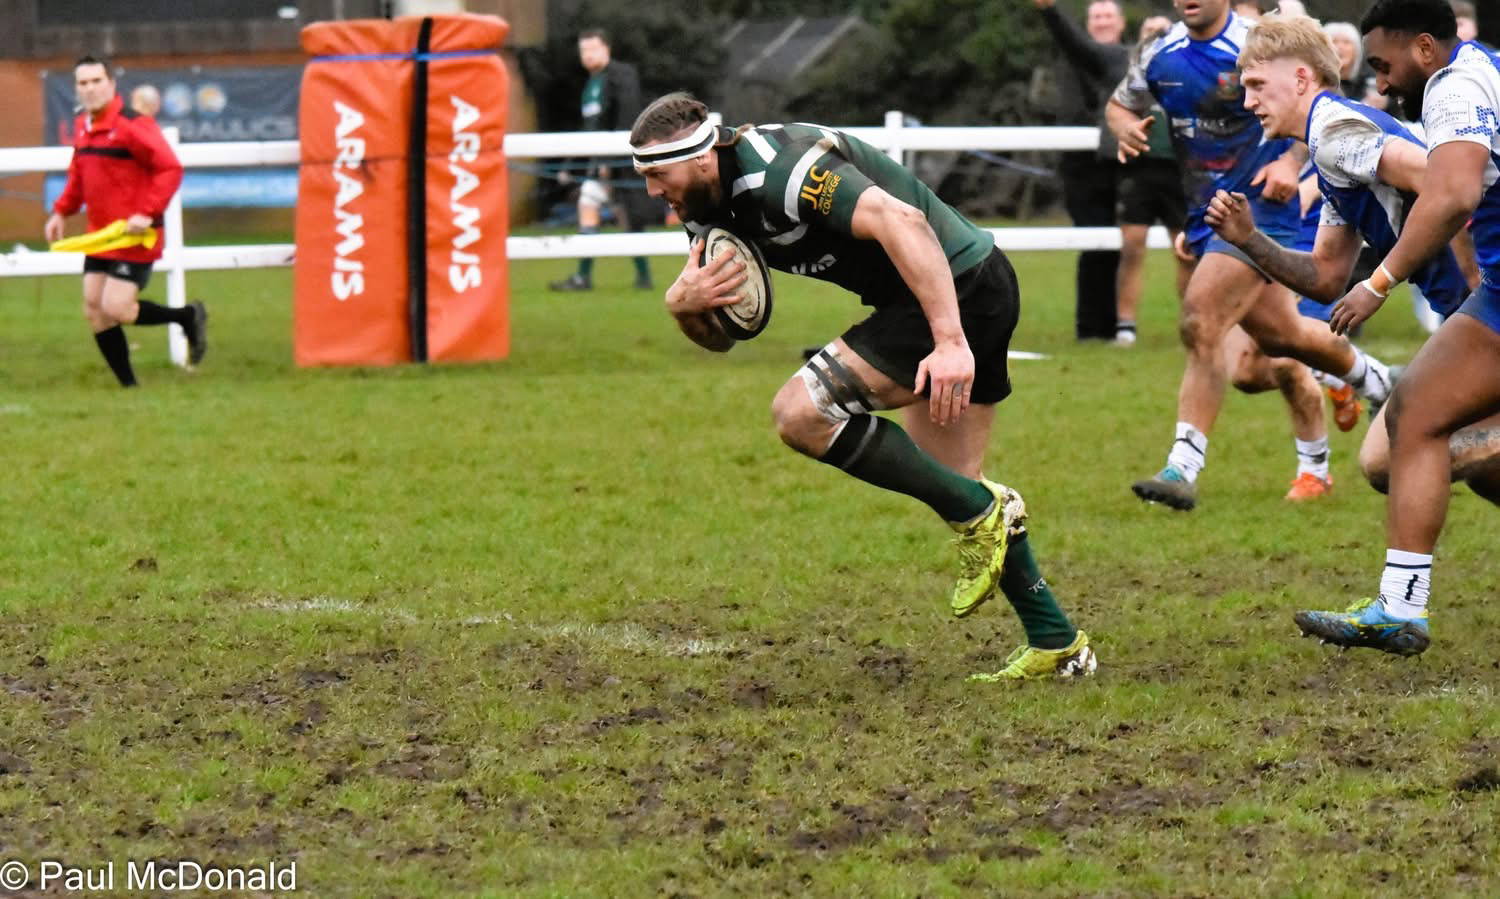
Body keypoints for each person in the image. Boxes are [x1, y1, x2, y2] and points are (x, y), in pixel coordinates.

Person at [631, 93, 1097, 681]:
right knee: (958, 487)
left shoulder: (782, 170)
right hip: (941, 297)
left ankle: (985, 512)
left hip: (961, 289)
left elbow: (902, 220)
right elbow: (726, 337)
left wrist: (950, 341)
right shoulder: (702, 208)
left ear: (700, 158)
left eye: (658, 174)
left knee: (801, 413)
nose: (651, 190)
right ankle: (1058, 642)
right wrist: (684, 308)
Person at [1106, 0, 1396, 511]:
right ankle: (1379, 381)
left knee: (1200, 318)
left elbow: (1317, 99)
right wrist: (1124, 126)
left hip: (1261, 206)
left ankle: (1183, 466)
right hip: (1208, 214)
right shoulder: (1159, 53)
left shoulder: (1257, 42)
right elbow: (1118, 104)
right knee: (1281, 341)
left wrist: (1291, 162)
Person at [1291, 0, 1500, 656]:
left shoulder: (1454, 87)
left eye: (1384, 65)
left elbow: (1454, 193)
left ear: (1425, 48)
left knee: (1413, 429)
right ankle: (1401, 608)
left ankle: (1401, 608)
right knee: (1413, 420)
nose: (1380, 83)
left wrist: (1377, 283)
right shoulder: (1481, 68)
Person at [1205, 14, 1478, 489]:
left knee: (1401, 452)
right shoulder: (1329, 147)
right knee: (1398, 456)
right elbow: (1326, 277)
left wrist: (1472, 291)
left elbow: (1448, 185)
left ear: (1301, 79)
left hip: (1482, 316)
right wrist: (1248, 238)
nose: (1248, 102)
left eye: (1256, 85)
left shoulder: (1336, 134)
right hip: (1472, 318)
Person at [44, 56, 206, 388]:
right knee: (94, 308)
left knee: (116, 308)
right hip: (102, 236)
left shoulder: (133, 125)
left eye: (97, 81)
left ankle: (186, 317)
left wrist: (147, 212)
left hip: (135, 235)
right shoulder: (83, 125)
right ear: (77, 88)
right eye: (83, 83)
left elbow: (170, 168)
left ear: (111, 84)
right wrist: (61, 211)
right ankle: (130, 388)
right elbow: (79, 176)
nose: (90, 89)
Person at [1033, 0, 1128, 341]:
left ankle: (1114, 325)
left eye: (1108, 15)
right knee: (1093, 244)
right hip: (1082, 168)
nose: (1102, 21)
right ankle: (1090, 328)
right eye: (1096, 16)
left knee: (1117, 245)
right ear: (1087, 25)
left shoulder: (1128, 60)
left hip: (1118, 164)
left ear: (1121, 23)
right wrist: (1050, 12)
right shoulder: (1075, 58)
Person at [549, 28, 653, 293]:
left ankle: (642, 277)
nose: (588, 54)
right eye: (583, 50)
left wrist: (610, 160)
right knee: (589, 204)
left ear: (607, 48)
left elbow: (627, 118)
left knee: (626, 218)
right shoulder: (590, 85)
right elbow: (590, 130)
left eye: (593, 48)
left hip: (621, 163)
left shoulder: (622, 75)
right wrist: (569, 165)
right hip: (600, 165)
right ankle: (584, 277)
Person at [1114, 15, 1192, 346]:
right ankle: (1125, 326)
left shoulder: (1187, 71)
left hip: (1181, 171)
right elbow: (1117, 111)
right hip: (1141, 169)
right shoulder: (1134, 77)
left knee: (1185, 249)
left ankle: (1192, 323)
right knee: (1132, 244)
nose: (1156, 36)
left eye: (1163, 31)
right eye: (1150, 30)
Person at [1324, 21, 1387, 108]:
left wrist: (1386, 102)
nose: (1340, 47)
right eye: (1334, 41)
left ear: (1357, 50)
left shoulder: (1370, 80)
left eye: (1346, 42)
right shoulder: (1317, 84)